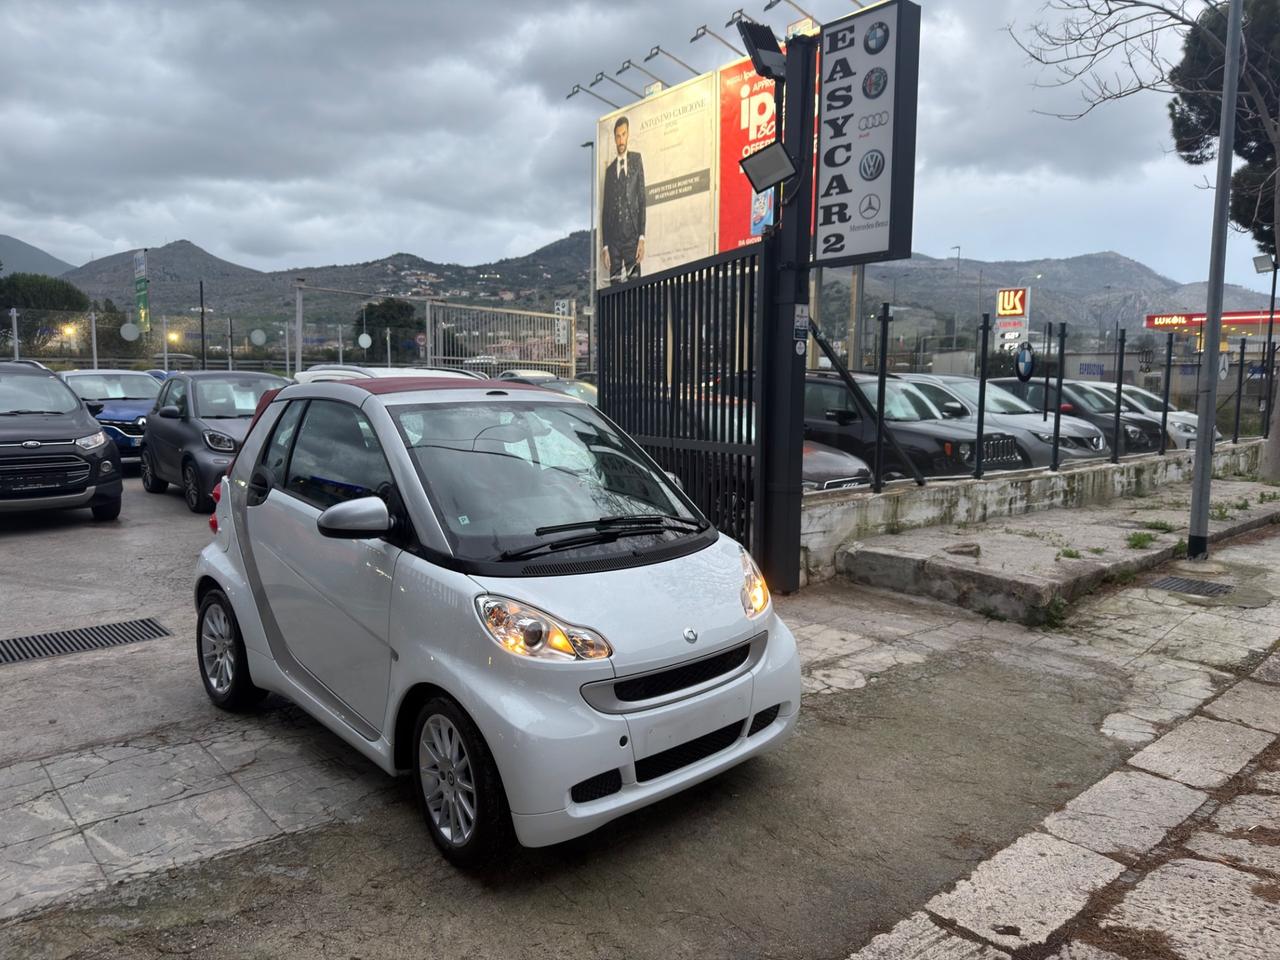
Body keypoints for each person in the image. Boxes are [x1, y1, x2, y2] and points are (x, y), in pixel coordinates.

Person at [601, 116, 645, 284]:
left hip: (632, 238)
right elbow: (606, 211)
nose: (621, 140)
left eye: (623, 134)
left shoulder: (636, 160)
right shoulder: (610, 170)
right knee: (615, 290)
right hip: (613, 242)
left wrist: (642, 237)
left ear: (628, 135)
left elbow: (642, 199)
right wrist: (605, 246)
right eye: (618, 136)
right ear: (614, 138)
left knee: (635, 287)